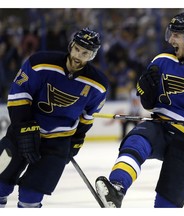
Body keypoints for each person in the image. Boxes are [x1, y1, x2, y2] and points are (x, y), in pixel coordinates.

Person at [95, 11, 184, 208]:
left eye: (176, 35)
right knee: (136, 141)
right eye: (171, 33)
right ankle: (116, 189)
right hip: (160, 126)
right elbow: (149, 104)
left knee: (166, 205)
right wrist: (145, 92)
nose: (170, 39)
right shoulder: (162, 59)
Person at [0, 27, 108, 208]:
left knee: (30, 197)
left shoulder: (98, 85)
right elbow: (19, 93)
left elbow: (87, 117)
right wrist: (24, 126)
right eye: (77, 49)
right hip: (20, 134)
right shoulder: (40, 63)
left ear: (92, 56)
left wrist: (76, 141)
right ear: (71, 46)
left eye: (85, 53)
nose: (78, 55)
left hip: (57, 143)